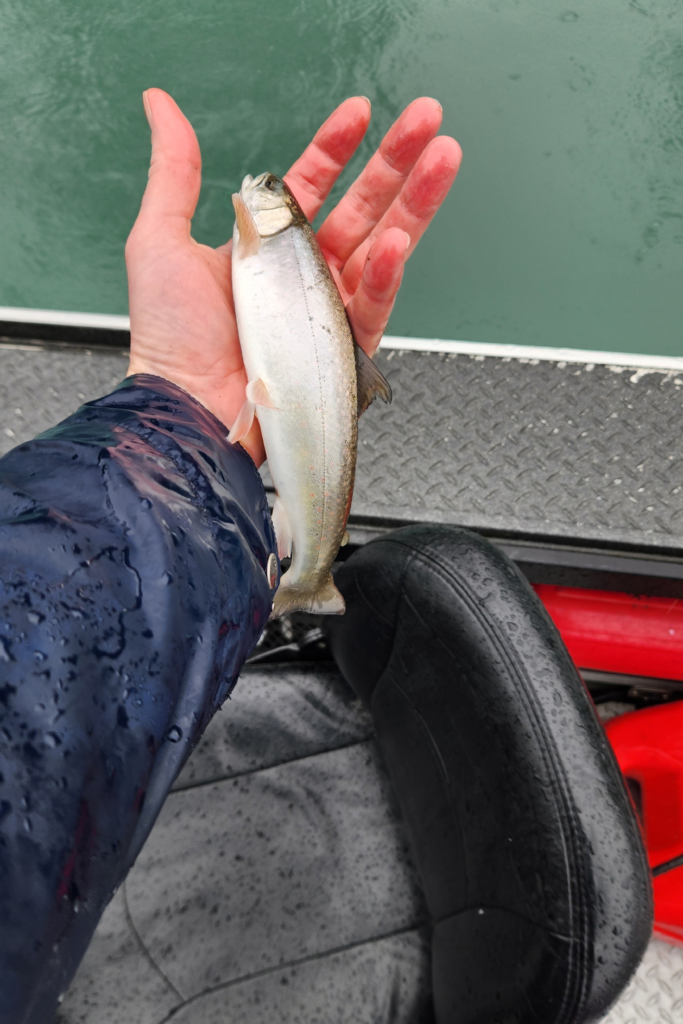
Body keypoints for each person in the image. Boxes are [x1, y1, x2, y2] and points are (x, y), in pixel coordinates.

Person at [0, 89, 461, 1023]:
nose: (261, 194)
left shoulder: (266, 246)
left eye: (271, 197)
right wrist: (184, 413)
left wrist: (179, 411)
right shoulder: (266, 245)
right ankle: (304, 574)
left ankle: (306, 572)